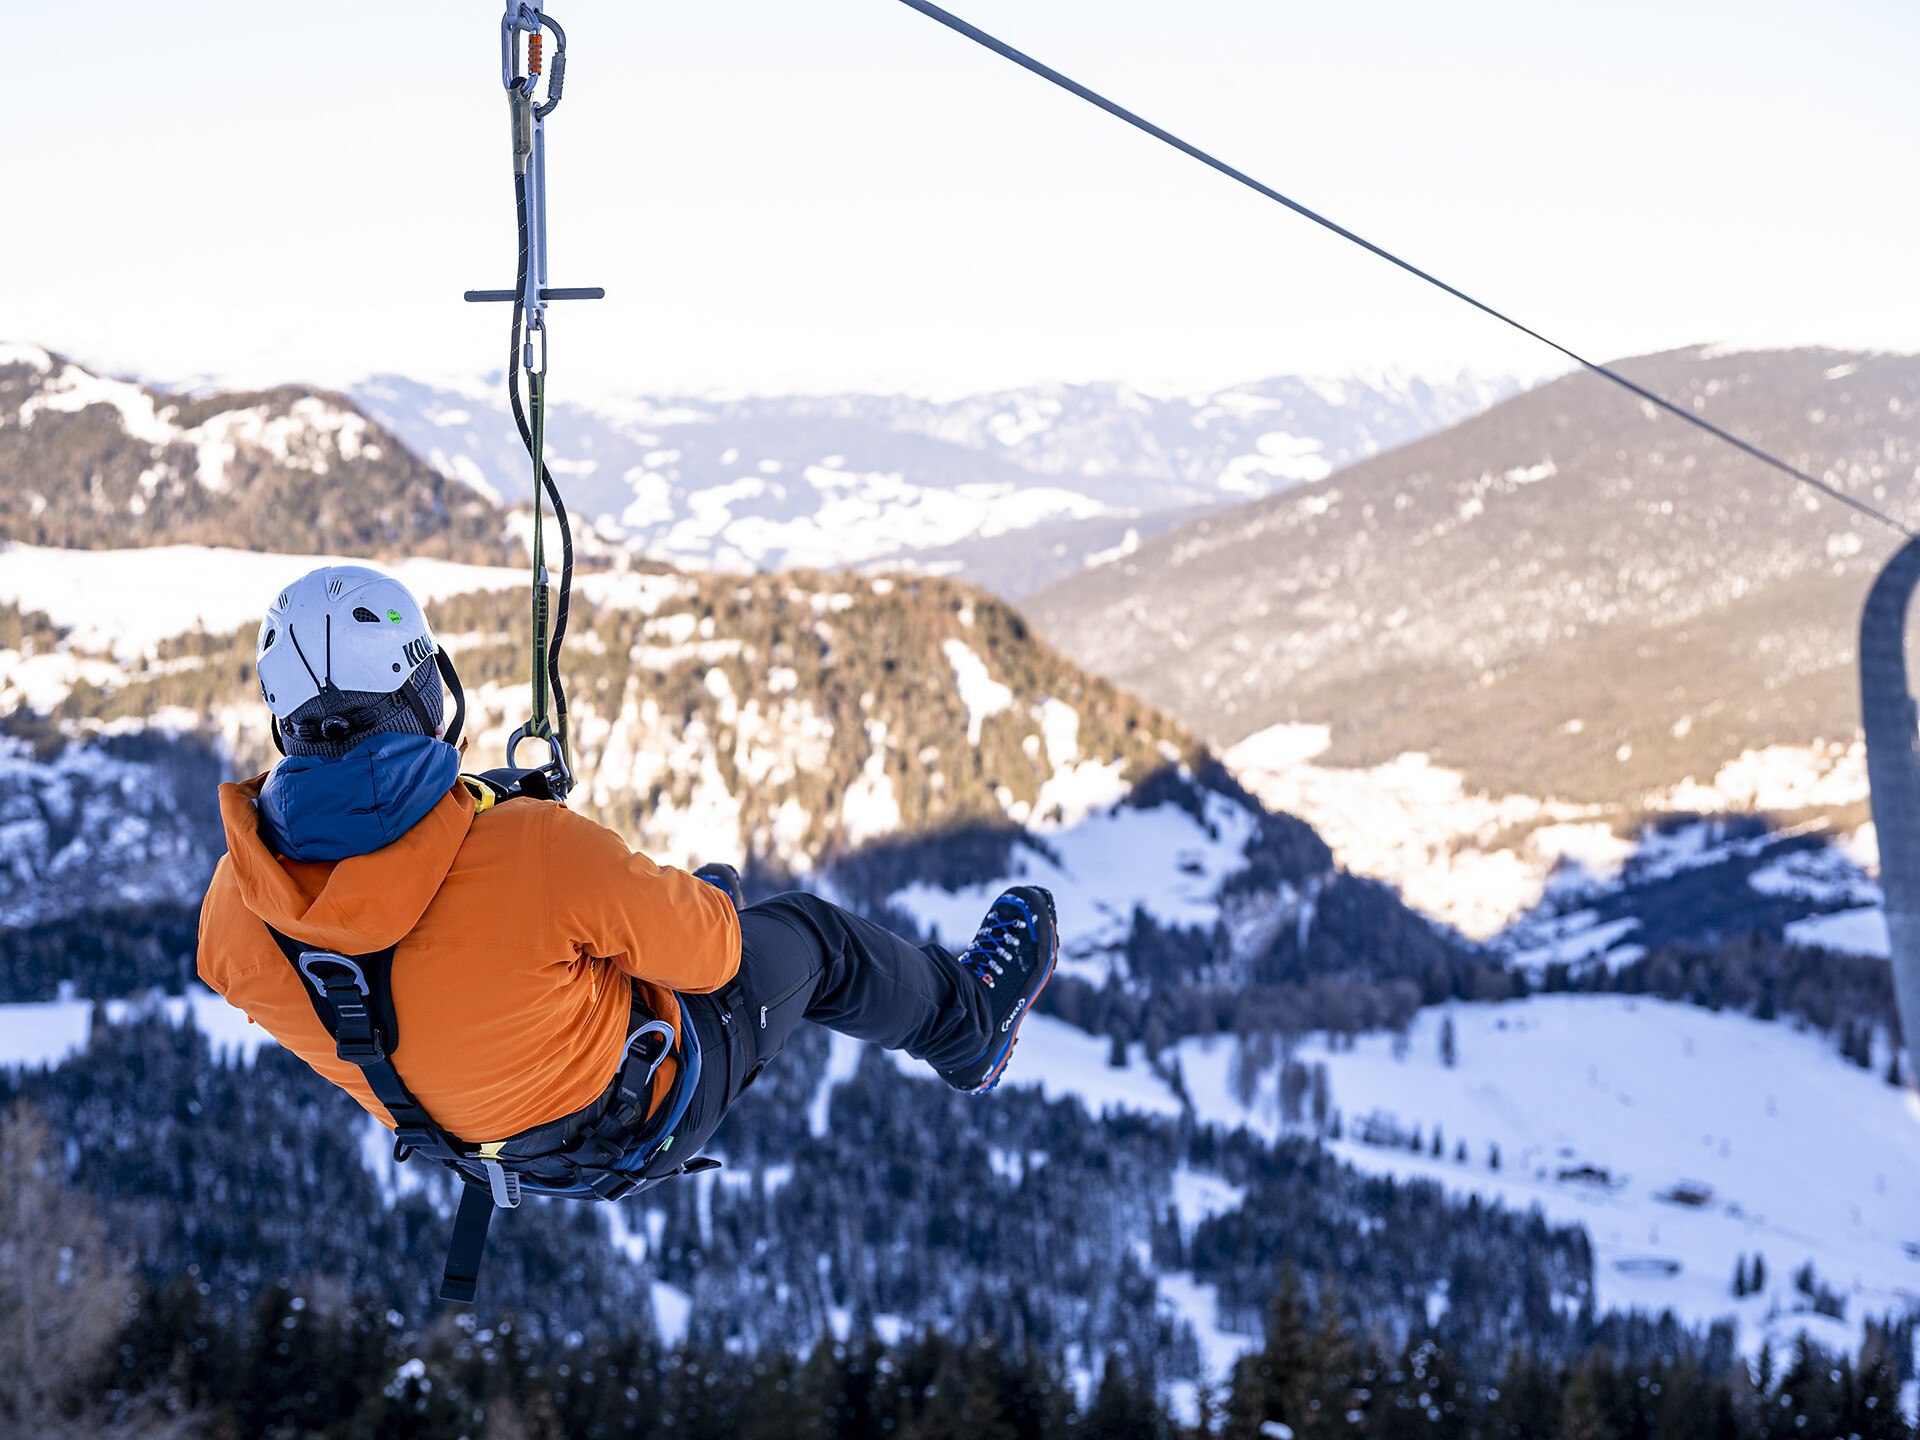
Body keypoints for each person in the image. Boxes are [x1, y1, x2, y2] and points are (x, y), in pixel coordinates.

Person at [196, 564, 1057, 1294]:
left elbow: (392, 911)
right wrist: (672, 893)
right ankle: (968, 1029)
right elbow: (715, 951)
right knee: (808, 937)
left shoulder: (234, 918)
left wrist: (477, 821)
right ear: (428, 693)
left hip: (483, 1143)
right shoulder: (533, 854)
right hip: (641, 1109)